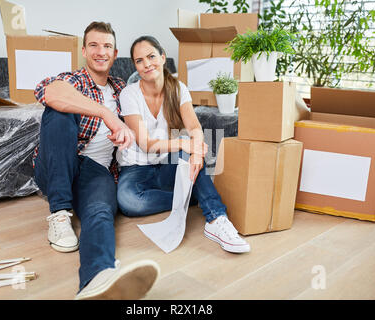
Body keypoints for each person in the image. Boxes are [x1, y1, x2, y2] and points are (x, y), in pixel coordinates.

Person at [33, 22, 159, 300]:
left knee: (101, 211)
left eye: (107, 46)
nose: (100, 52)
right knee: (58, 113)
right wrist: (106, 114)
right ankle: (59, 212)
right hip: (57, 162)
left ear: (115, 55)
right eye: (94, 45)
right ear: (84, 51)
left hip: (96, 171)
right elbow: (49, 92)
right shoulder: (73, 80)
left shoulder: (123, 89)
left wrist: (125, 136)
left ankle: (97, 279)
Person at [116, 36, 251, 254]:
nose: (147, 64)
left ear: (162, 57)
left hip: (167, 165)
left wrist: (196, 151)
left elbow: (195, 129)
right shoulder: (129, 94)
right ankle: (192, 194)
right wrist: (184, 143)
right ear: (135, 66)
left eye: (151, 56)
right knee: (129, 202)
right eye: (139, 60)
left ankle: (216, 219)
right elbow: (145, 144)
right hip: (136, 167)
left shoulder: (178, 89)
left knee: (190, 147)